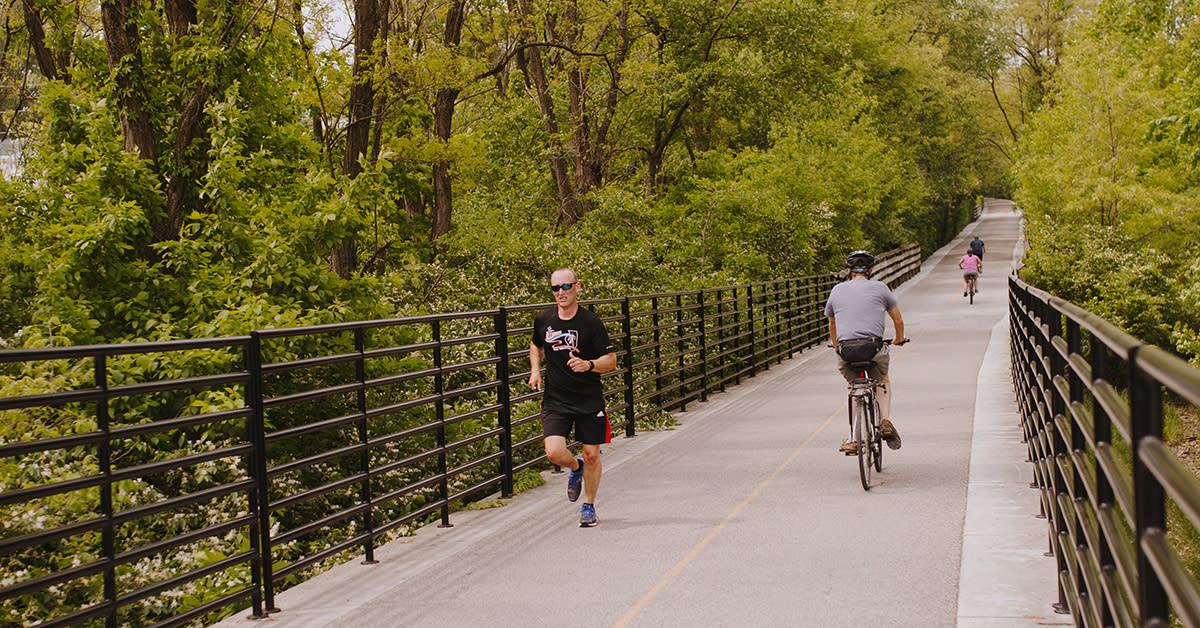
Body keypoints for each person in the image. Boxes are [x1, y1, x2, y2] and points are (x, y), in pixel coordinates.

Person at [529, 268, 617, 527]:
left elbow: (610, 360)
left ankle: (588, 506)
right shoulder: (544, 319)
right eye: (555, 288)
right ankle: (575, 468)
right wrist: (535, 370)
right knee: (554, 453)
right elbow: (536, 344)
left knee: (592, 454)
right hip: (556, 399)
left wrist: (588, 365)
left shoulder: (591, 322)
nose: (561, 293)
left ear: (577, 287)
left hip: (588, 399)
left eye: (566, 287)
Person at [824, 250, 907, 454]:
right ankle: (885, 420)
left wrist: (836, 346)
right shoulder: (880, 288)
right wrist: (899, 339)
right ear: (870, 271)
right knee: (883, 380)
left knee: (854, 387)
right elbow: (898, 320)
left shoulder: (836, 290)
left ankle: (853, 438)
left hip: (846, 351)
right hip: (873, 348)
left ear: (849, 272)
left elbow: (832, 325)